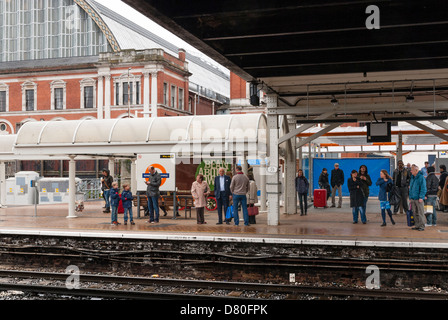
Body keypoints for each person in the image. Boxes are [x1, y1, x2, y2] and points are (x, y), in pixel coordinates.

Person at [409, 164, 427, 231]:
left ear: (416, 170)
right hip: (413, 198)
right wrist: (410, 197)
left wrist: (421, 197)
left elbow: (423, 188)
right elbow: (410, 188)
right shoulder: (412, 177)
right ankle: (417, 225)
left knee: (420, 213)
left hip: (418, 199)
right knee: (415, 213)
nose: (411, 171)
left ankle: (422, 226)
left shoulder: (421, 177)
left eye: (412, 170)